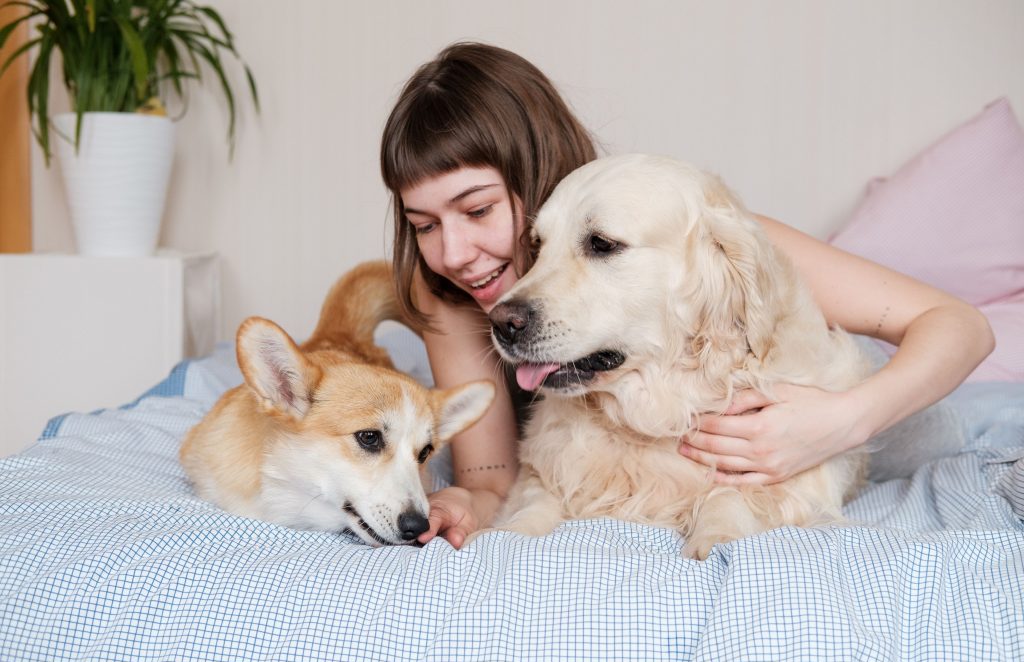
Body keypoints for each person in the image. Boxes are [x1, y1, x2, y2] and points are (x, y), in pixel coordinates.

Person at [379, 42, 995, 549]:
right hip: (591, 453)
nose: (453, 252)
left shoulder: (704, 231)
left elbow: (957, 324)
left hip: (830, 391)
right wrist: (462, 500)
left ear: (538, 175)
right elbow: (491, 477)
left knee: (935, 427)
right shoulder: (449, 293)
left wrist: (839, 422)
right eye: (424, 225)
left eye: (478, 209)